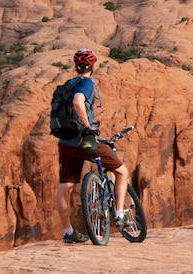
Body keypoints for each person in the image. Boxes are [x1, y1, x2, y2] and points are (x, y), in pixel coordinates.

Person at [56, 48, 130, 243]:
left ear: (75, 66)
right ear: (92, 66)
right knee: (122, 171)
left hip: (65, 142)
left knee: (65, 188)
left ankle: (67, 232)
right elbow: (78, 102)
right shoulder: (86, 83)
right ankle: (120, 214)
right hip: (84, 140)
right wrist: (88, 127)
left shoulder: (67, 84)